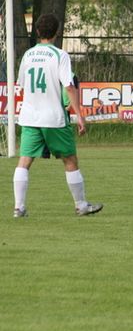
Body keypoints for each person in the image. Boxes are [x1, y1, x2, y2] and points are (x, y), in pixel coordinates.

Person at [12, 13, 103, 217]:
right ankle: (81, 205)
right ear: (57, 32)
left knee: (25, 160)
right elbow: (69, 86)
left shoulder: (28, 55)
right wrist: (79, 114)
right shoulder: (59, 55)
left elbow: (21, 85)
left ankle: (19, 207)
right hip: (54, 117)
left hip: (29, 117)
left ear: (37, 32)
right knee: (70, 160)